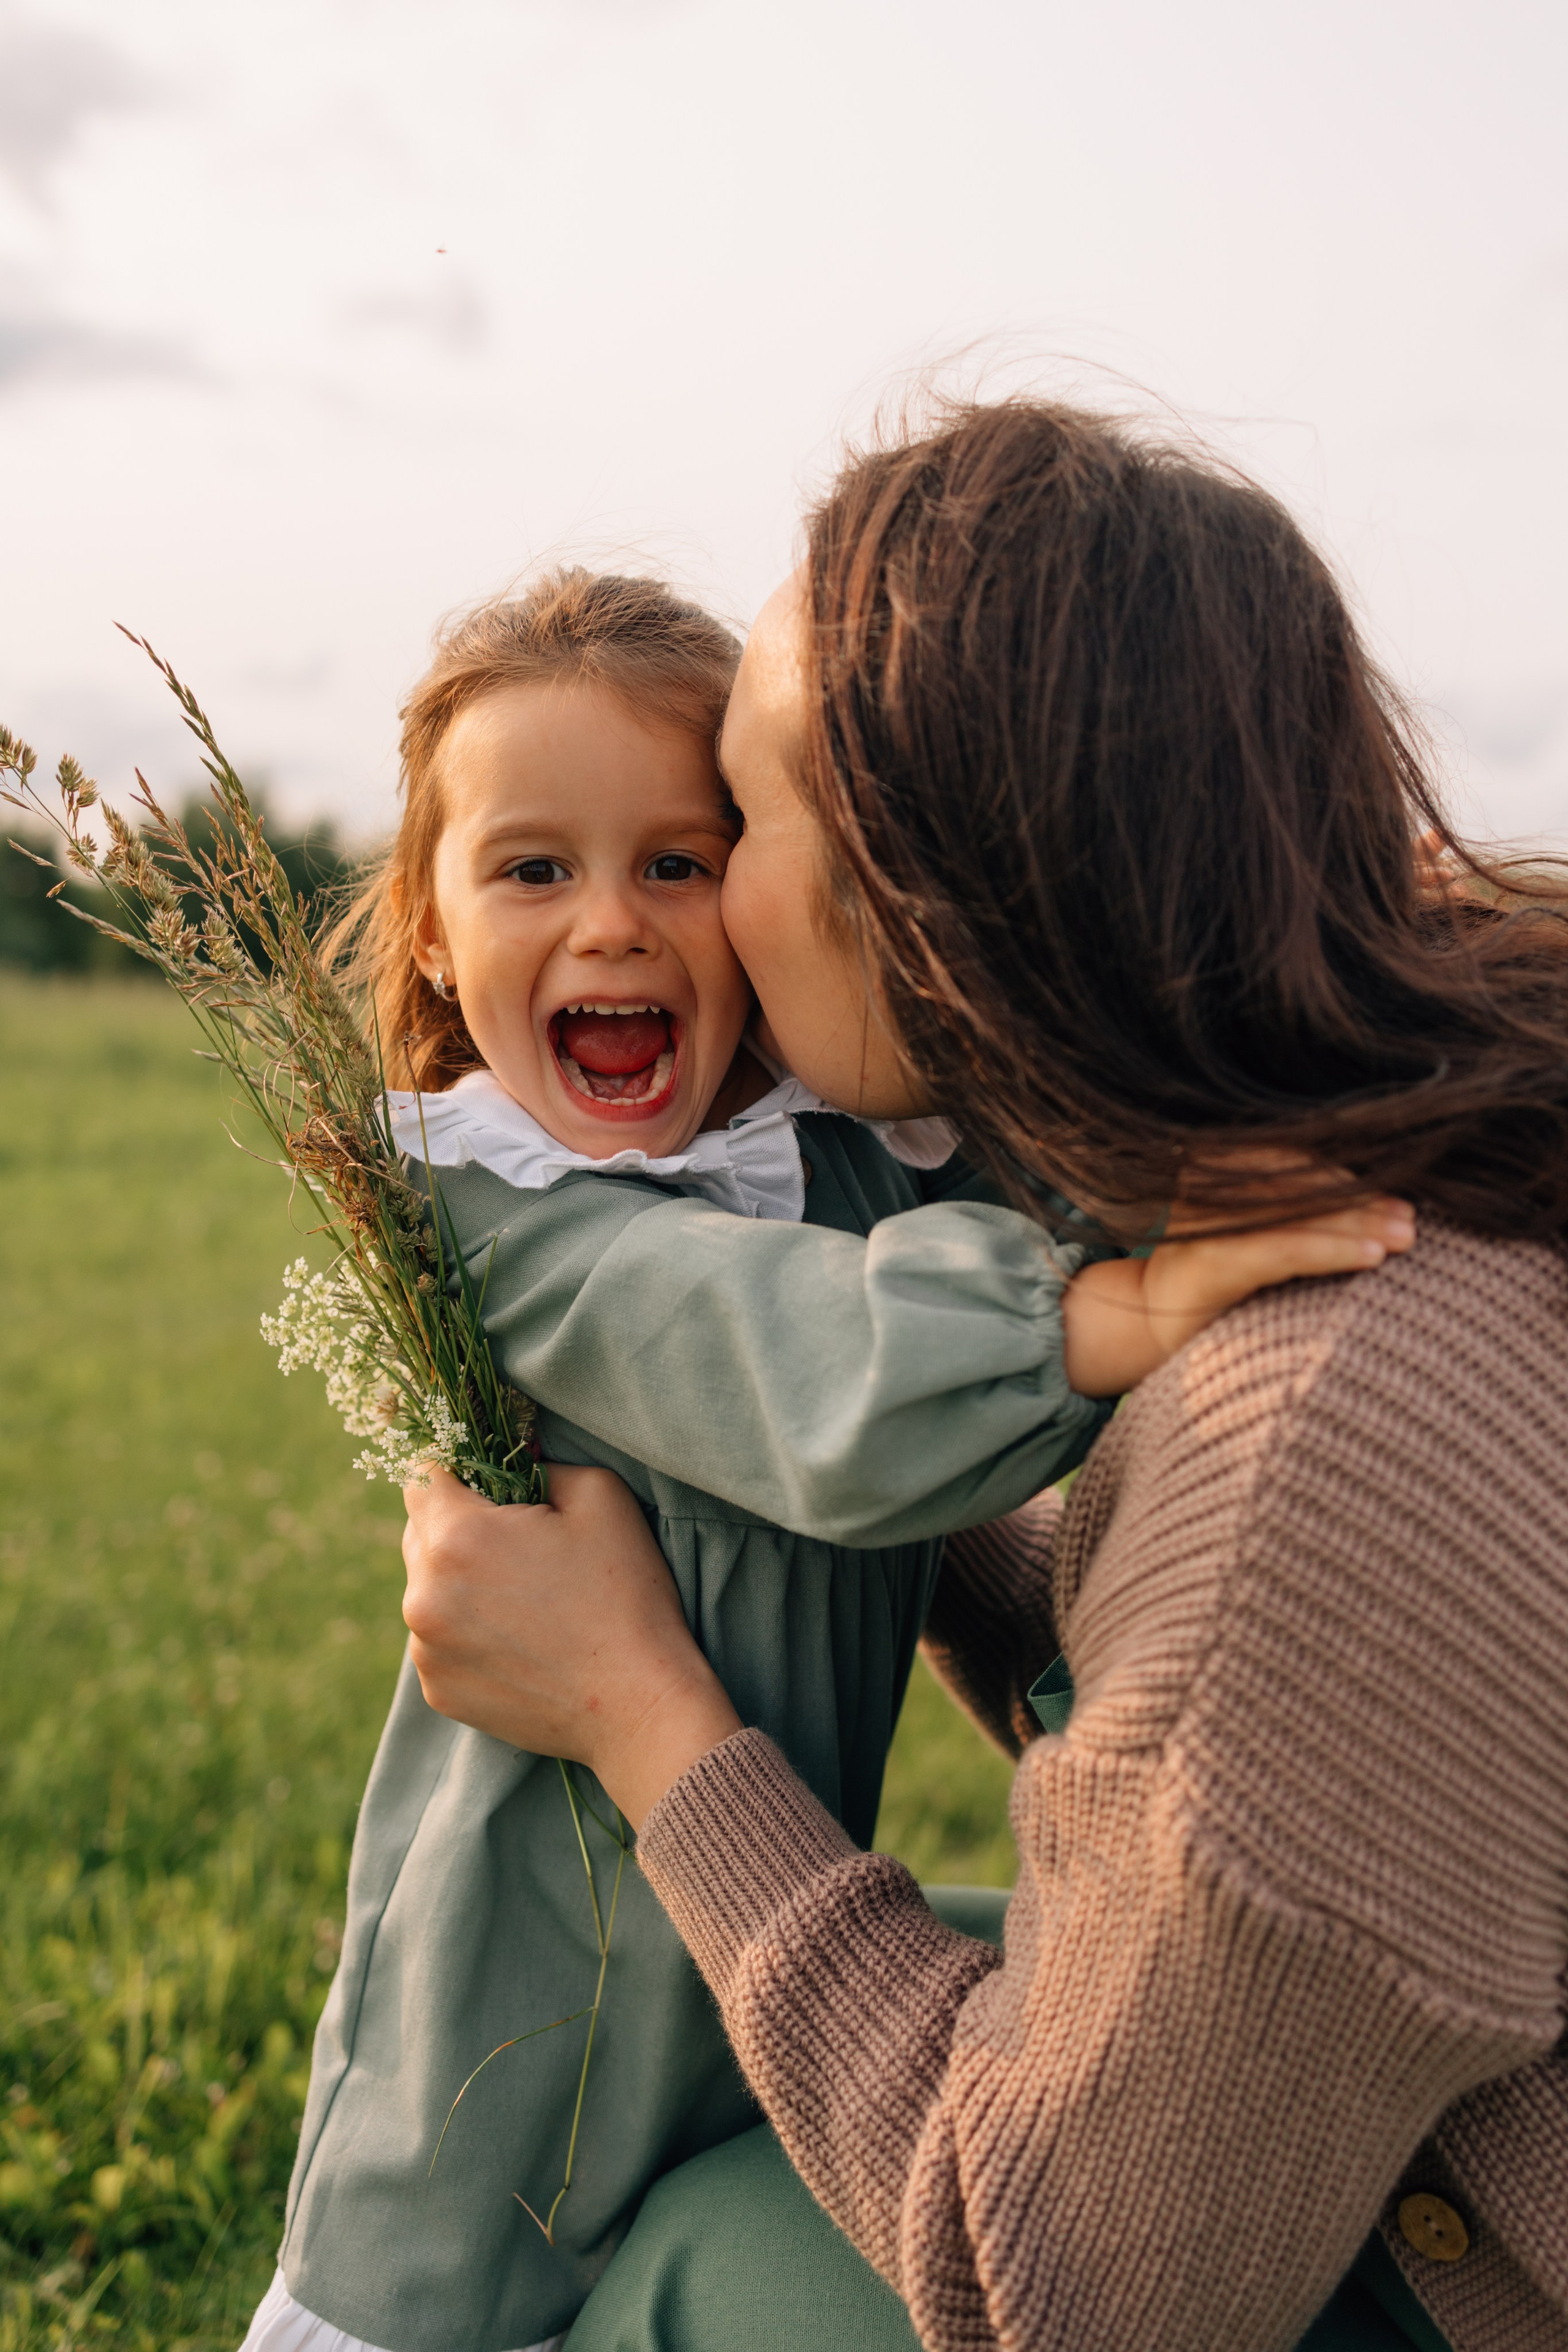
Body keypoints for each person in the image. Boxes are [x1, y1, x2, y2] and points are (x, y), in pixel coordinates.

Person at [398, 402, 1568, 2352]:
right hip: (1410, 2147)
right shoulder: (1393, 1159)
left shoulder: (1339, 1435)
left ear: (930, 902)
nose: (679, 911)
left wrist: (636, 1711)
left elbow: (1057, 2291)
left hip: (1469, 2280)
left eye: (730, 833)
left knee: (689, 2268)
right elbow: (1223, 1721)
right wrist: (794, 1462)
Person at [241, 567, 1393, 2352]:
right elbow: (779, 1349)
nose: (612, 925)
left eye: (680, 863)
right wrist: (1121, 1315)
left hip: (748, 1927)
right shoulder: (498, 1220)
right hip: (522, 2035)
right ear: (430, 936)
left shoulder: (817, 1153)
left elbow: (1040, 1146)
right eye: (535, 868)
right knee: (479, 2281)